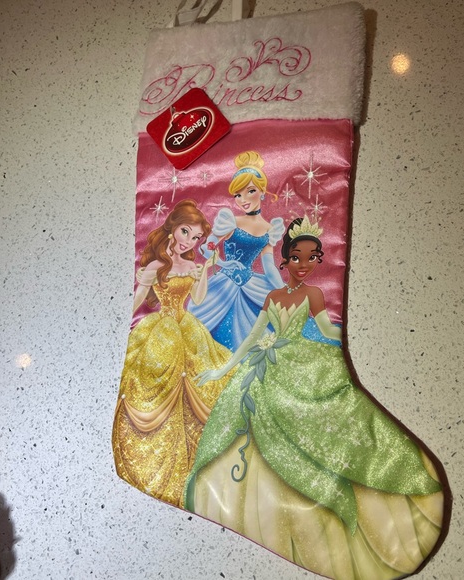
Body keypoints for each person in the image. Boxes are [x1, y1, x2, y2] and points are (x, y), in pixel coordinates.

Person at [183, 217, 447, 580]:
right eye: (296, 257)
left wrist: (341, 338)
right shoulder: (273, 296)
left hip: (300, 359)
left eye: (311, 258)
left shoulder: (314, 294)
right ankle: (244, 496)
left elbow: (325, 329)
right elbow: (254, 337)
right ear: (285, 260)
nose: (303, 264)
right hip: (266, 363)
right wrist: (222, 369)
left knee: (319, 414)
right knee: (247, 418)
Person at [112, 200, 236, 508]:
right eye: (185, 232)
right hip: (162, 329)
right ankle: (158, 456)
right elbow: (137, 302)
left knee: (200, 380)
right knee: (159, 380)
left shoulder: (191, 266)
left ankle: (197, 462)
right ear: (172, 227)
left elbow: (198, 298)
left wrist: (205, 270)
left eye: (196, 237)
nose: (189, 241)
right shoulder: (156, 267)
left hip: (187, 327)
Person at [187, 151, 284, 351]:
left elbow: (269, 267)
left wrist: (283, 289)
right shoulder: (232, 221)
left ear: (262, 191)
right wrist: (224, 263)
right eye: (238, 195)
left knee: (263, 331)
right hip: (224, 284)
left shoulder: (269, 230)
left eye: (250, 191)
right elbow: (206, 248)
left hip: (251, 284)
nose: (243, 199)